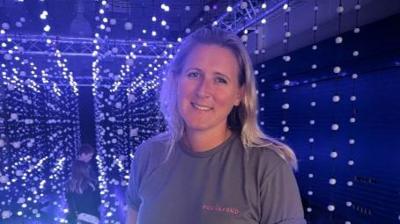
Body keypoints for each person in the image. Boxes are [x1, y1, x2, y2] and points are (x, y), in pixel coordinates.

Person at [126, 27, 306, 224]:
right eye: (194, 74)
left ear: (239, 94)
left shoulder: (267, 167)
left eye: (220, 80)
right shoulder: (148, 155)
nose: (203, 91)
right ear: (177, 80)